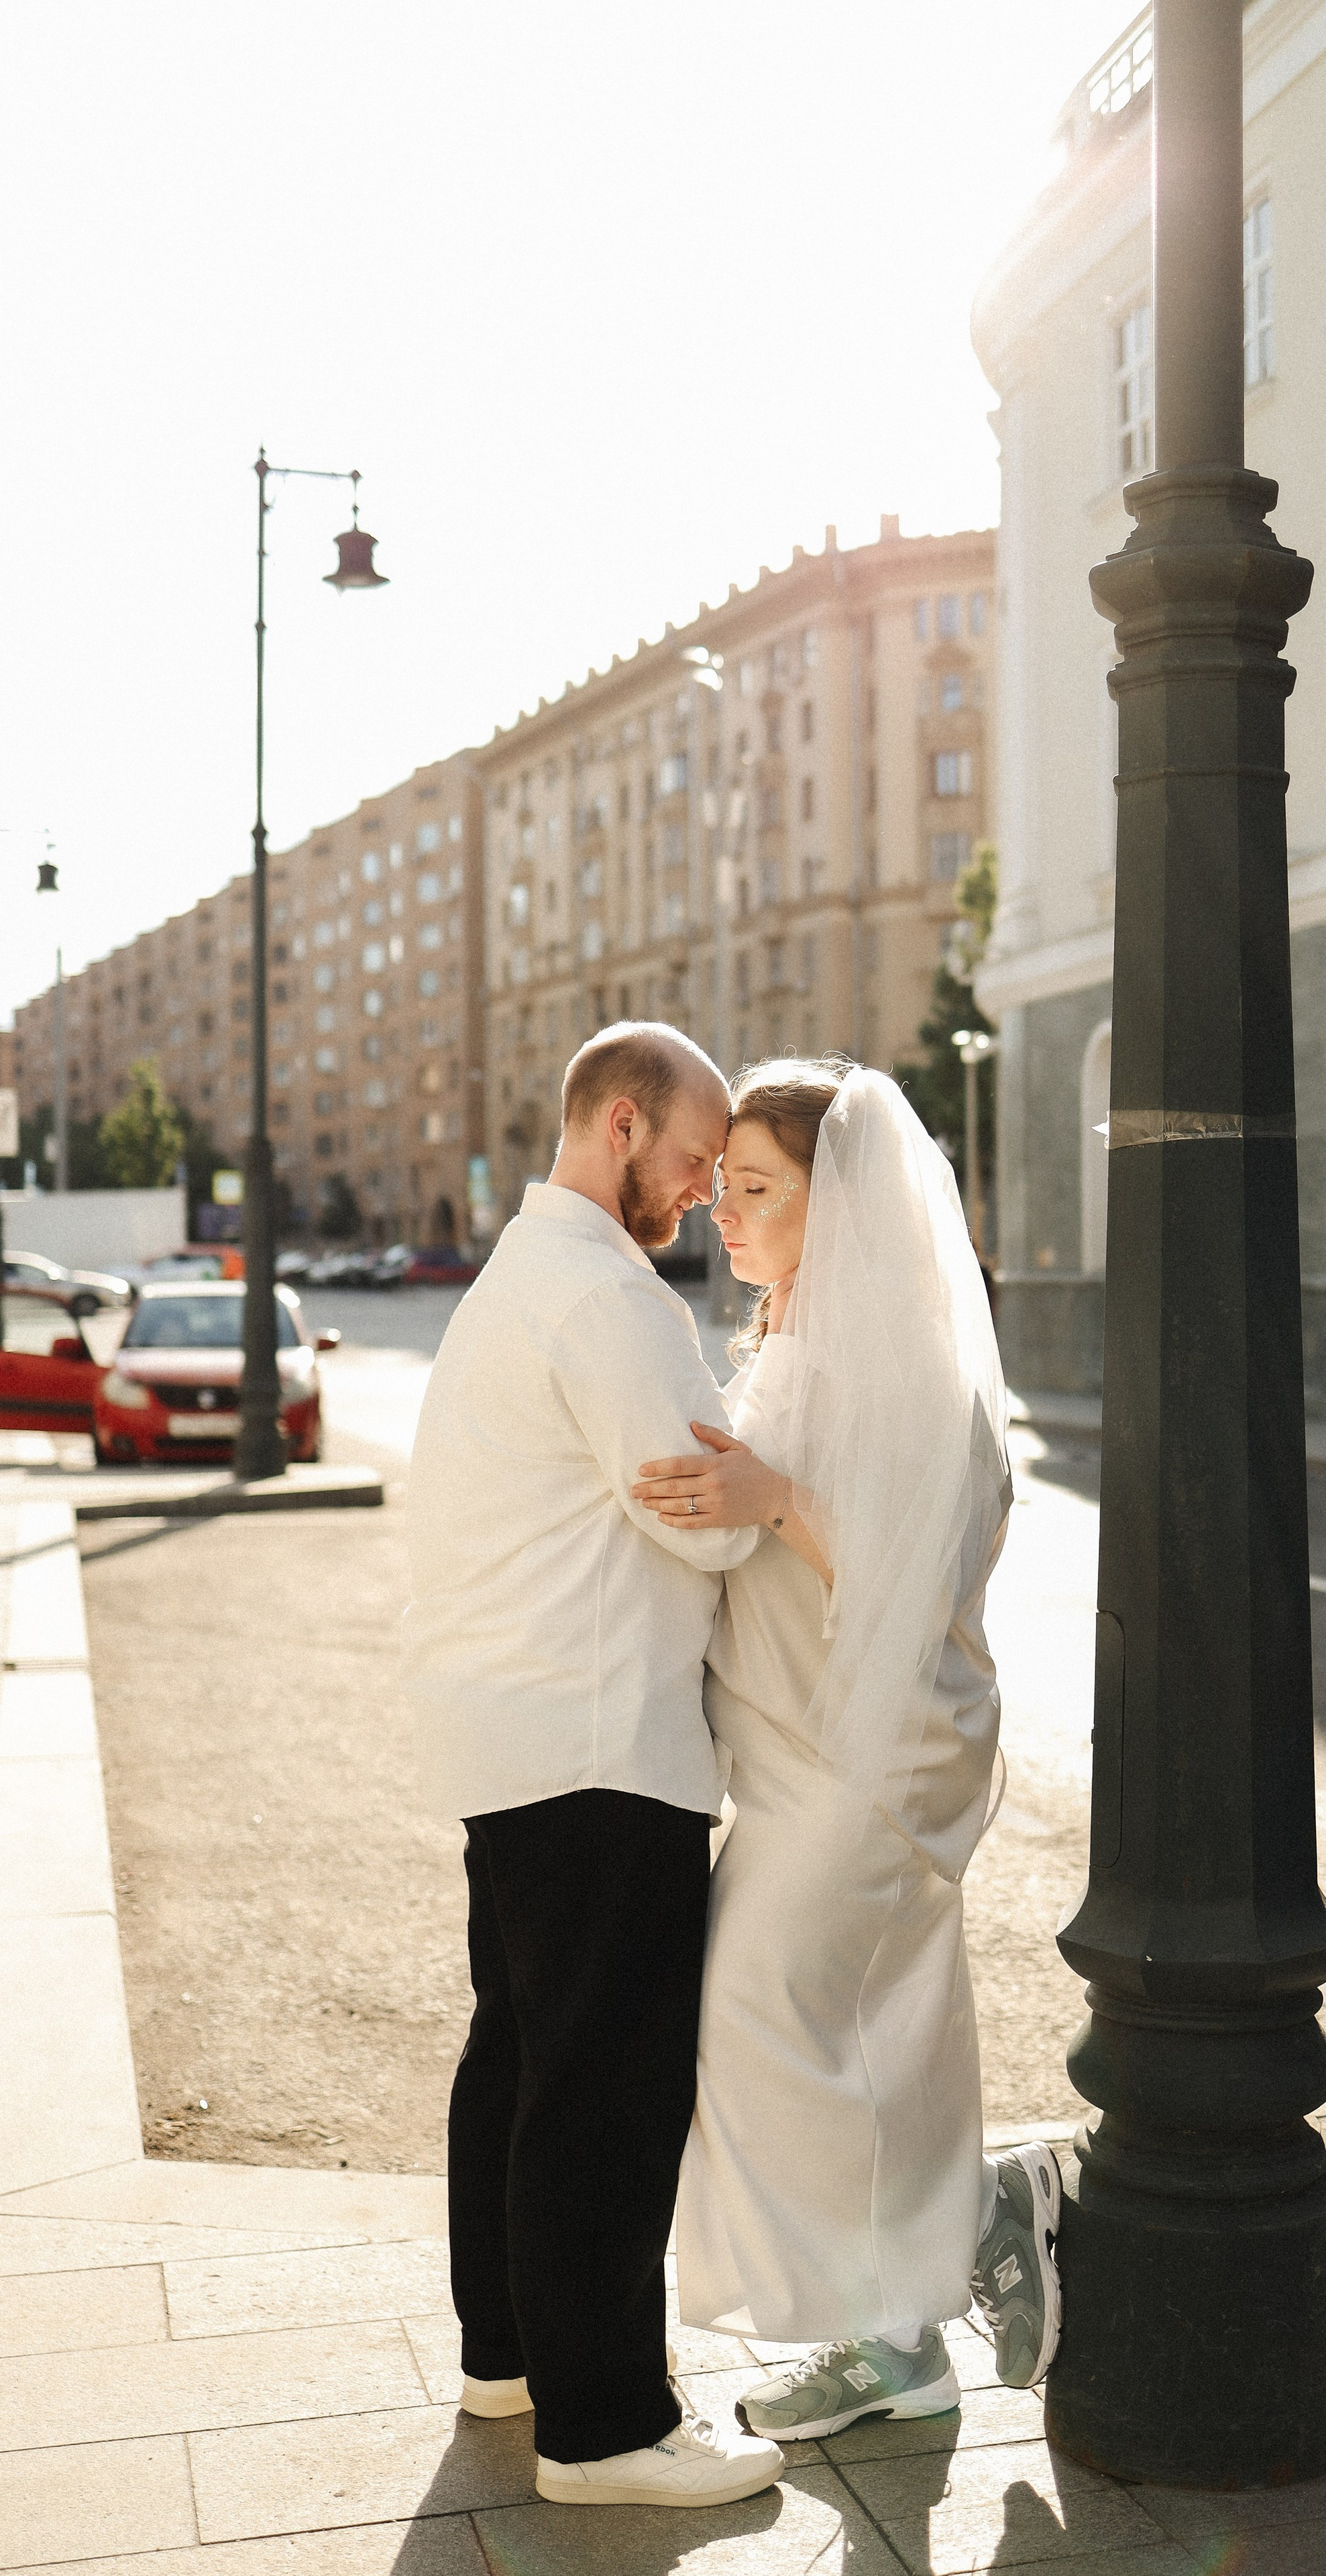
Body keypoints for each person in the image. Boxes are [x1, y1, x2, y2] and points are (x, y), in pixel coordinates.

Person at [631, 1059, 1062, 2444]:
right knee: (877, 2030)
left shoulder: (912, 1364)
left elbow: (924, 1572)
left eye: (757, 1190)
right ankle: (903, 2336)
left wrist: (774, 1498)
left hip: (873, 1758)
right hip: (794, 1749)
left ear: (848, 1204)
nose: (725, 1214)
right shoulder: (791, 1344)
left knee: (751, 2011)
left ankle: (967, 2225)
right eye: (725, 1188)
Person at [402, 1023, 784, 2510]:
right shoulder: (612, 1299)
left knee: (520, 2055)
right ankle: (607, 2428)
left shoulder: (515, 1279)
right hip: (602, 1741)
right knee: (607, 2088)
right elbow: (708, 1524)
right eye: (692, 1160)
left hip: (512, 1732)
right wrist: (767, 1494)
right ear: (621, 1125)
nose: (701, 1192)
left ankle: (509, 2357)